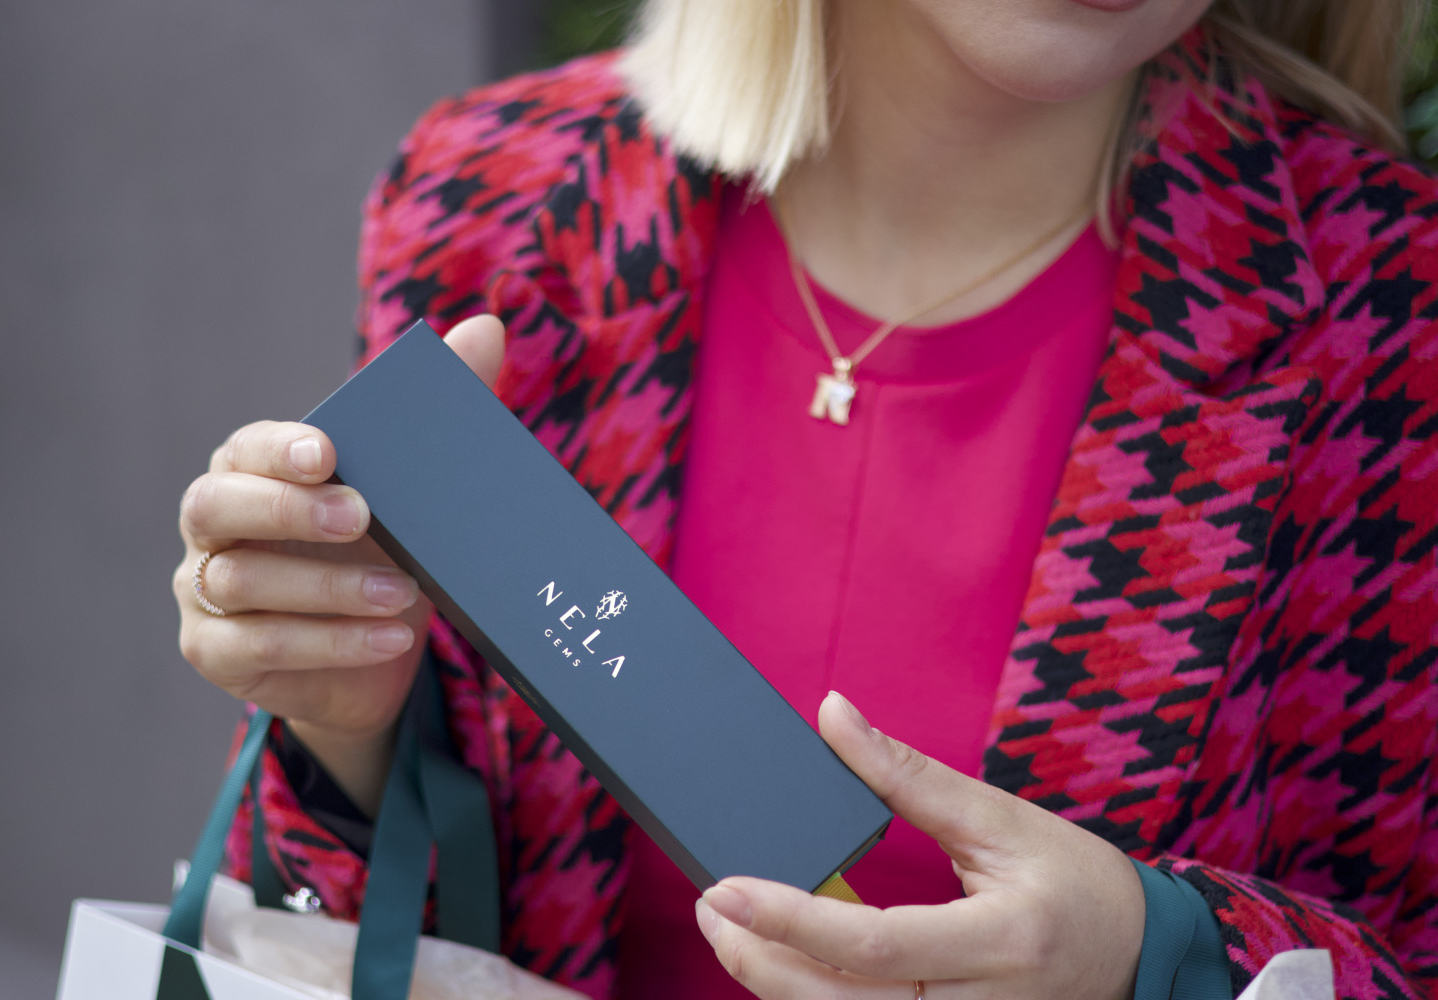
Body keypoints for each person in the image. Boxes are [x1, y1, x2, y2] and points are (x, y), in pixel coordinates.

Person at [172, 0, 1438, 997]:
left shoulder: (1389, 310)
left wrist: (1154, 952)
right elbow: (332, 932)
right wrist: (345, 731)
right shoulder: (494, 203)